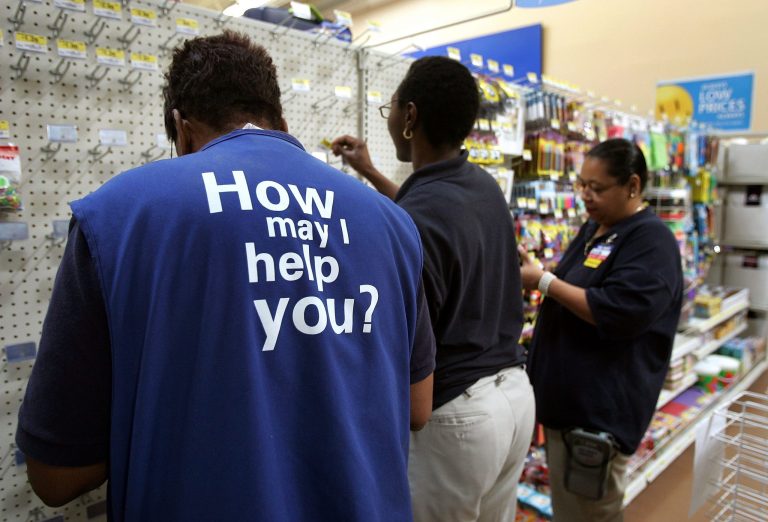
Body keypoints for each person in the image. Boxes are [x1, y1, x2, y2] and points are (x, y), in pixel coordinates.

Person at [16, 31, 436, 521]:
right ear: (282, 122)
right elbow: (417, 407)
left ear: (182, 129)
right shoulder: (390, 222)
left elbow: (55, 475)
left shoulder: (117, 216)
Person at [332, 56, 535, 522]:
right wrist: (369, 171)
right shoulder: (481, 186)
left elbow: (411, 350)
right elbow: (428, 214)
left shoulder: (417, 217)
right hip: (515, 399)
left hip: (457, 418)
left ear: (411, 117)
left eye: (392, 108)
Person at [520, 138, 683, 522]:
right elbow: (572, 284)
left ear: (632, 185)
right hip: (569, 411)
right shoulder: (599, 229)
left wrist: (543, 282)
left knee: (589, 513)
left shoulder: (650, 240)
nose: (586, 196)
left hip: (597, 420)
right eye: (582, 186)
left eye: (597, 188)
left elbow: (620, 311)